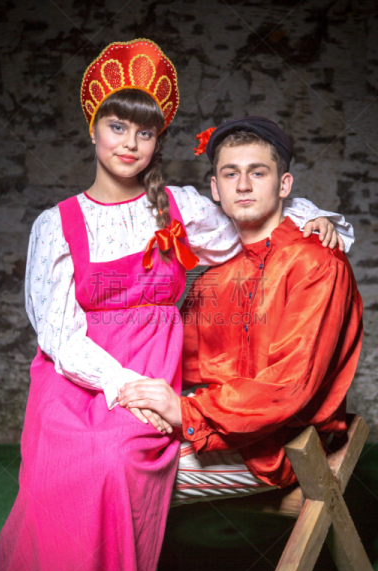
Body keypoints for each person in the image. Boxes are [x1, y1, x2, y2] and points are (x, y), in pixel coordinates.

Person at [0, 36, 351, 571]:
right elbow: (58, 334)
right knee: (68, 470)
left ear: (158, 140)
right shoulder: (55, 225)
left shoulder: (177, 207)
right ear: (93, 129)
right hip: (83, 377)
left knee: (113, 463)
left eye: (145, 132)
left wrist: (311, 216)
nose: (129, 143)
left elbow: (248, 217)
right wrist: (123, 385)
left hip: (156, 374)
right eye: (117, 126)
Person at [119, 116, 362, 505]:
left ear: (284, 184)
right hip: (218, 421)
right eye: (231, 174)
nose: (243, 185)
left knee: (121, 470)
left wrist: (184, 411)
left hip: (279, 446)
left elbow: (288, 387)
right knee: (100, 443)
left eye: (258, 173)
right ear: (216, 188)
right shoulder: (216, 271)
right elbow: (181, 359)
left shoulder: (316, 263)